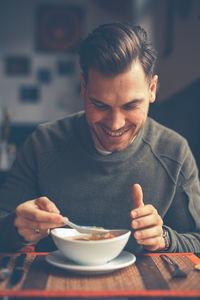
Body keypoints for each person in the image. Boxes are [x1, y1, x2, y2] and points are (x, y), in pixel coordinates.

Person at [0, 23, 200, 253]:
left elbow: (197, 240)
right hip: (54, 285)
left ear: (152, 89)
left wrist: (164, 237)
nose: (115, 124)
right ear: (84, 88)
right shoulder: (42, 144)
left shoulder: (174, 152)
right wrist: (17, 227)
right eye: (100, 105)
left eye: (131, 105)